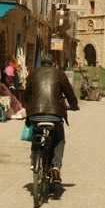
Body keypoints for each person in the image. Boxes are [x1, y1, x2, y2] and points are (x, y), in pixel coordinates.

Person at [23, 53, 79, 183]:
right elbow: (70, 93)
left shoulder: (33, 74)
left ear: (41, 63)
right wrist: (74, 106)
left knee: (36, 132)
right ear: (53, 63)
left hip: (35, 115)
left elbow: (26, 95)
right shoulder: (60, 74)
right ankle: (55, 166)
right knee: (59, 139)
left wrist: (27, 105)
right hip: (55, 115)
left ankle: (33, 159)